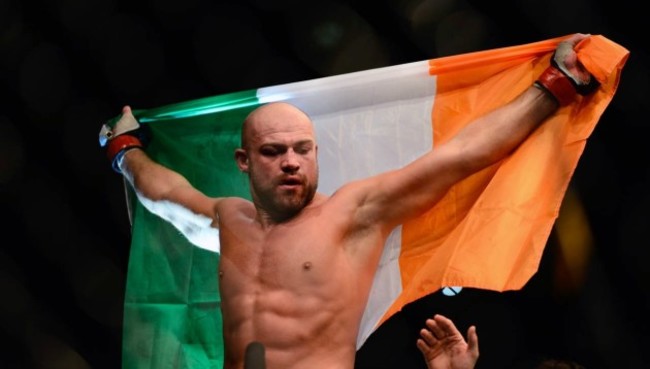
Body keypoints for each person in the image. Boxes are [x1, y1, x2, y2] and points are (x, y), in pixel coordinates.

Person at [100, 33, 597, 369]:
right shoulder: (227, 219)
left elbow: (461, 155)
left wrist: (554, 86)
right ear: (244, 161)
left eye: (302, 150)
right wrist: (124, 149)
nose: (291, 162)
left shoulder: (352, 213)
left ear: (316, 154)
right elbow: (163, 194)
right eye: (273, 152)